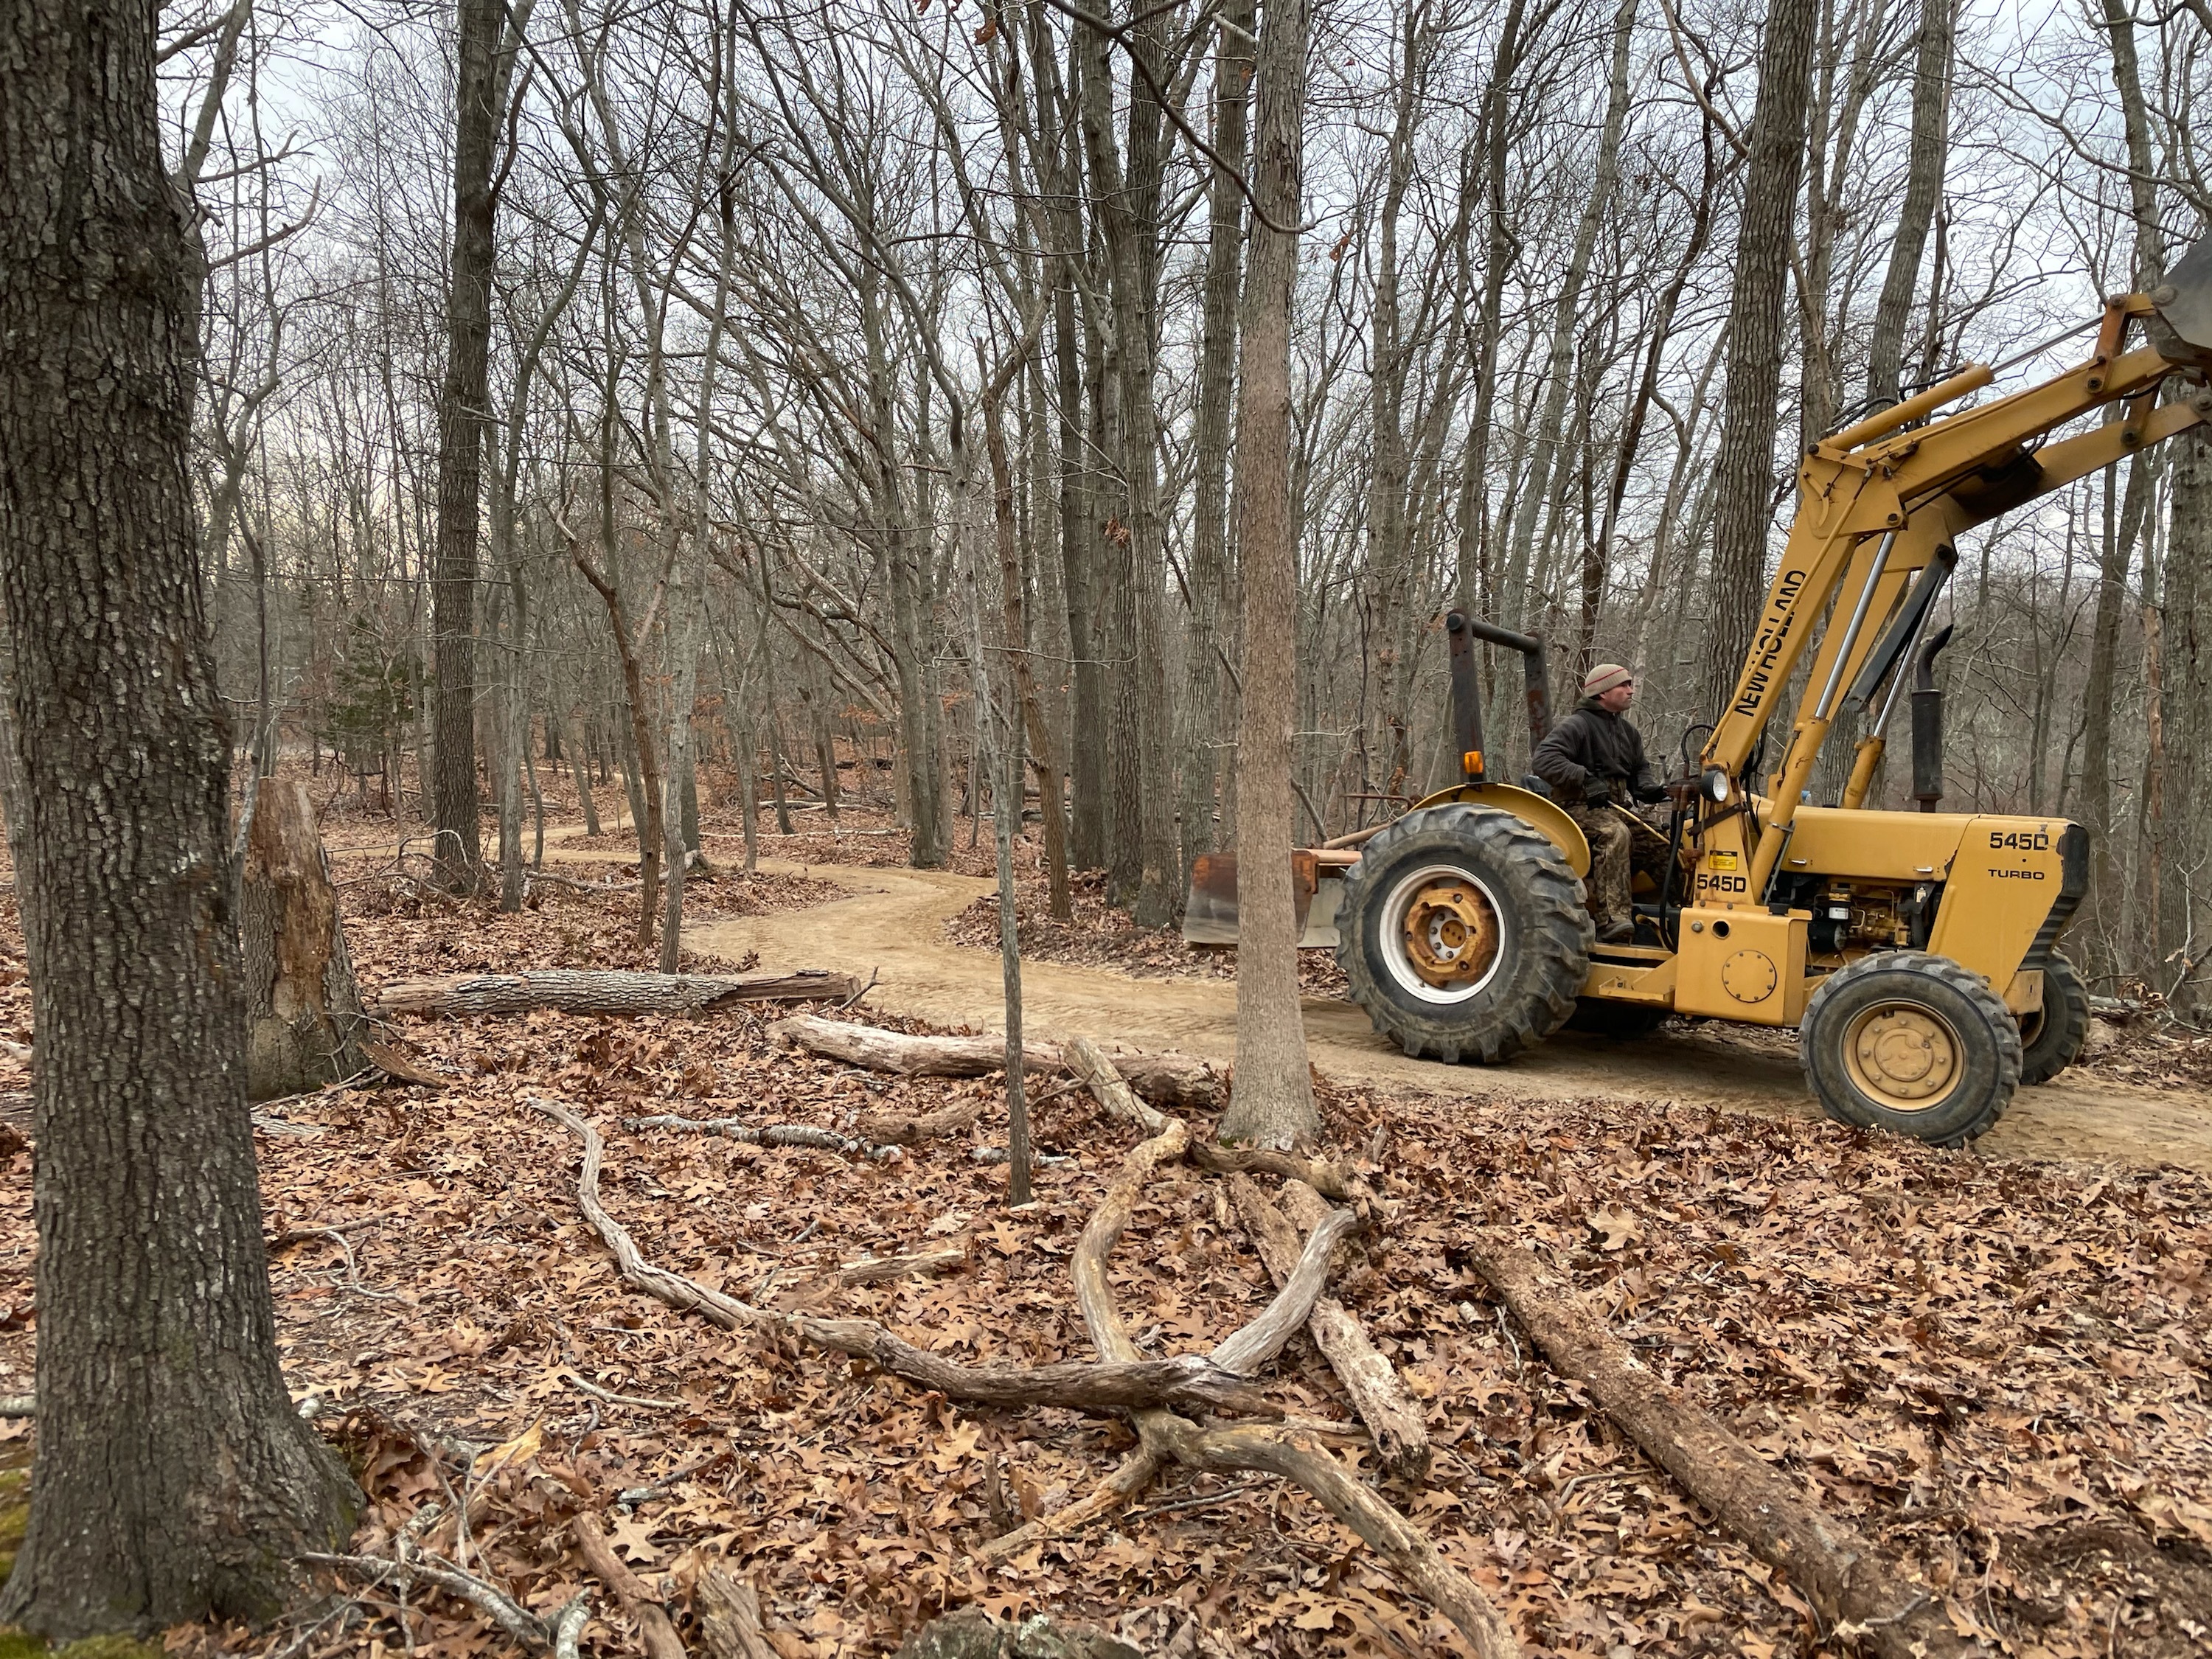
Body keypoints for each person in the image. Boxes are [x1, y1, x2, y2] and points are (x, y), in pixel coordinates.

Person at [1531, 663, 1672, 942]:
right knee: (1614, 834)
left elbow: (1639, 770)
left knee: (1662, 842)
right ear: (1603, 692)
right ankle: (1612, 920)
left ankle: (1674, 912)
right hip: (1577, 808)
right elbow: (1544, 760)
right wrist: (1584, 778)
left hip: (1614, 808)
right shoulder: (1577, 725)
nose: (1631, 690)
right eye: (1624, 685)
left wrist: (1648, 789)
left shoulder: (1629, 732)